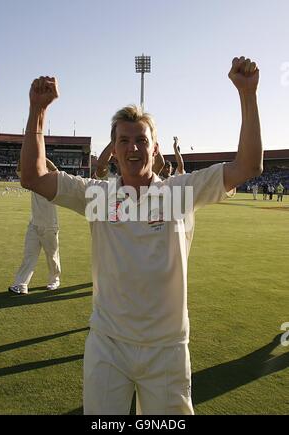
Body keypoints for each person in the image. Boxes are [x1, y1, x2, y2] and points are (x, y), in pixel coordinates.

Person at [19, 56, 262, 415]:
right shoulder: (97, 196)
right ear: (114, 151)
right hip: (108, 344)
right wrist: (37, 111)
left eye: (141, 140)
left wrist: (247, 94)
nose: (133, 147)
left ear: (155, 147)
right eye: (124, 141)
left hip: (167, 347)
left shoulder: (181, 192)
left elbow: (248, 165)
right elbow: (33, 177)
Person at [9, 159, 61, 295]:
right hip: (34, 225)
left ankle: (54, 280)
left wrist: (40, 157)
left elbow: (55, 170)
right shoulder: (33, 182)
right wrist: (23, 157)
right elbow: (20, 171)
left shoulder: (54, 181)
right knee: (29, 256)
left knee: (52, 257)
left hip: (50, 226)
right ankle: (21, 285)